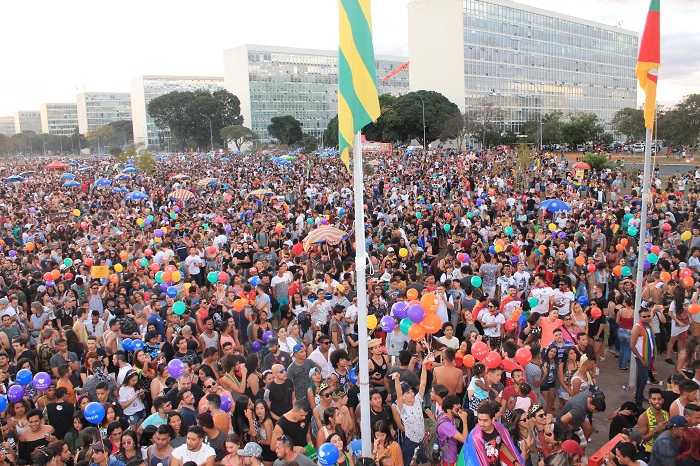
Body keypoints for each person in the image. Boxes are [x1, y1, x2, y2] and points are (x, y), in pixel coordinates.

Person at [391, 352, 428, 466]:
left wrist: (425, 366)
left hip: (420, 441)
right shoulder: (403, 407)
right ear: (402, 397)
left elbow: (423, 383)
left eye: (412, 391)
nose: (412, 394)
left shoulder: (417, 400)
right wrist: (397, 380)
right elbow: (398, 392)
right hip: (410, 442)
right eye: (408, 393)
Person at [467, 402, 525, 466]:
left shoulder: (500, 429)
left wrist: (515, 461)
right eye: (479, 420)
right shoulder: (474, 435)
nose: (481, 424)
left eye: (485, 420)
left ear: (493, 419)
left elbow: (501, 445)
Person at [631, 309, 656, 408]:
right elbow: (632, 345)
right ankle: (638, 402)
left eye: (648, 316)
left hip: (648, 356)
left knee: (641, 377)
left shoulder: (649, 326)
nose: (647, 318)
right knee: (644, 379)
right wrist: (641, 359)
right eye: (644, 317)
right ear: (640, 317)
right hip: (642, 357)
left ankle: (638, 396)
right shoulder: (638, 328)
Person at [436, 395, 470, 466]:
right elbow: (464, 440)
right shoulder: (446, 426)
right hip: (449, 460)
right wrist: (464, 421)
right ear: (448, 410)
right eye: (457, 410)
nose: (460, 411)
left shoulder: (443, 415)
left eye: (460, 408)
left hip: (451, 456)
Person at [637, 388, 670, 458]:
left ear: (663, 400)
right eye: (654, 399)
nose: (657, 401)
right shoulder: (644, 417)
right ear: (649, 400)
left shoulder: (666, 414)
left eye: (659, 399)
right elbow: (641, 440)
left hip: (663, 450)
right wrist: (655, 430)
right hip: (649, 452)